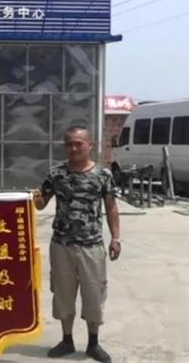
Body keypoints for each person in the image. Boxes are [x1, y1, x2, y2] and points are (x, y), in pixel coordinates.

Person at [32, 126, 121, 363]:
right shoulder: (56, 174)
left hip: (92, 245)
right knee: (63, 294)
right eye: (69, 144)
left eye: (78, 143)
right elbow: (40, 204)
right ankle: (66, 340)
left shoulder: (103, 175)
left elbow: (111, 208)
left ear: (90, 145)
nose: (73, 148)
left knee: (94, 295)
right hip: (61, 245)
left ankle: (93, 343)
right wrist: (35, 198)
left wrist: (116, 238)